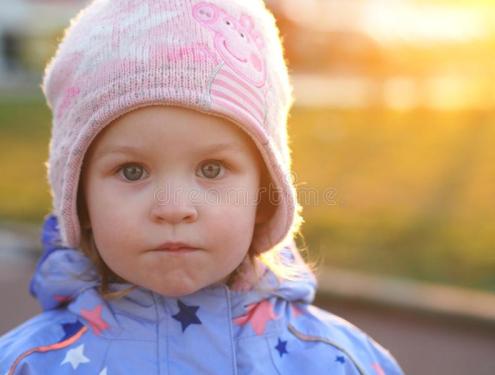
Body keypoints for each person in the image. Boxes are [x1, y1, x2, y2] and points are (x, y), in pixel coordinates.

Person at [0, 0, 405, 373]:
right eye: (132, 171)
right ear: (80, 202)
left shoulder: (335, 361)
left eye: (212, 169)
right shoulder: (30, 364)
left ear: (264, 195)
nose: (174, 208)